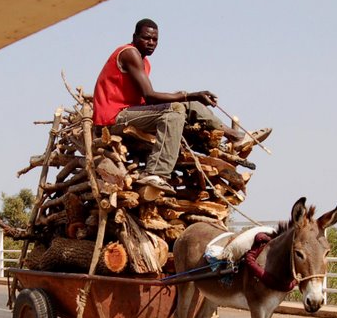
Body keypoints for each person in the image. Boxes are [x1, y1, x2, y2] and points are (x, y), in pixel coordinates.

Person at [93, 18, 270, 194]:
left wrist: (187, 99)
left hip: (129, 113)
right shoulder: (129, 53)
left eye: (155, 40)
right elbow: (149, 96)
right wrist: (187, 95)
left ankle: (234, 137)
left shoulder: (144, 61)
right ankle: (155, 173)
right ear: (135, 36)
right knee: (176, 111)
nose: (151, 43)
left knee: (186, 106)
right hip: (113, 119)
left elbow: (147, 99)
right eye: (146, 38)